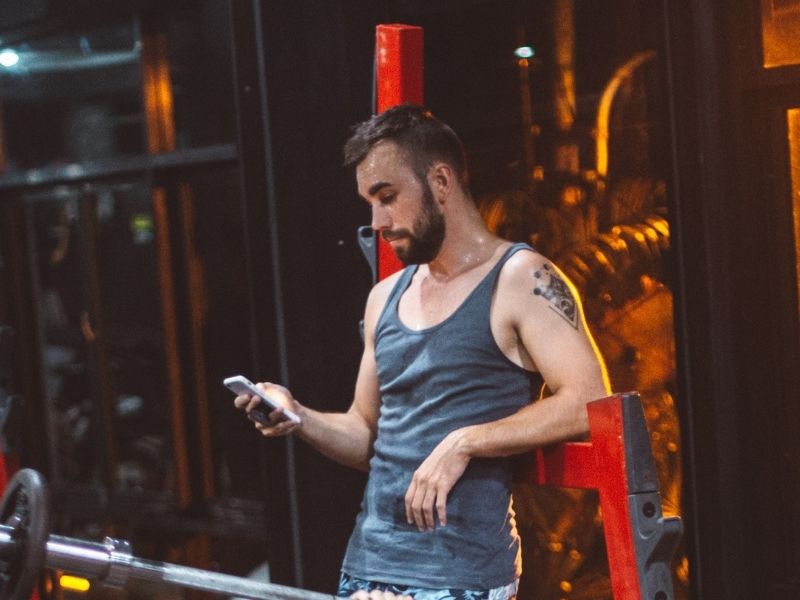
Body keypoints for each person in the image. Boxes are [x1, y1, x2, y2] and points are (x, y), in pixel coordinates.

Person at [234, 104, 610, 600]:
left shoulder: (520, 278)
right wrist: (298, 415)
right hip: (366, 568)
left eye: (387, 197)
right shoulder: (385, 297)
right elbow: (365, 435)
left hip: (458, 577)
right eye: (370, 202)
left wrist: (465, 442)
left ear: (440, 181)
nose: (378, 221)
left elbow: (588, 398)